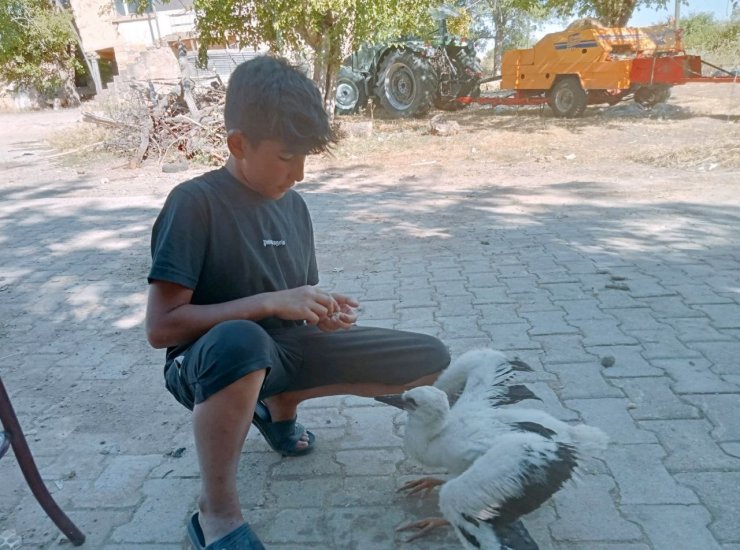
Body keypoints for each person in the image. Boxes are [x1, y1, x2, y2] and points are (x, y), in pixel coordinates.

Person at [145, 55, 450, 550]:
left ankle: (278, 407)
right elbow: (161, 329)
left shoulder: (295, 206)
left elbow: (294, 300)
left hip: (280, 354)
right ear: (239, 144)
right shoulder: (194, 203)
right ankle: (215, 514)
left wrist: (322, 313)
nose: (301, 174)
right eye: (288, 157)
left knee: (429, 357)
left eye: (306, 157)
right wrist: (268, 303)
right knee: (244, 342)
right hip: (207, 364)